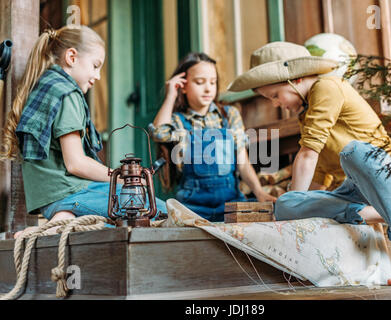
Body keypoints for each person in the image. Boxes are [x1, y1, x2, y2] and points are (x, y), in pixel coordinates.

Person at [228, 41, 391, 286]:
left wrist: (297, 197)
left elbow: (308, 154)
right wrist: (294, 204)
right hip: (355, 192)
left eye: (275, 96)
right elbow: (319, 174)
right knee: (285, 204)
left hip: (388, 178)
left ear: (295, 80)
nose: (277, 104)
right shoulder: (305, 114)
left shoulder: (327, 86)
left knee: (352, 152)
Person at [0, 26, 167, 238]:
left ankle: (62, 220)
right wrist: (121, 179)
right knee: (162, 213)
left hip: (49, 199)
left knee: (118, 227)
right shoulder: (67, 93)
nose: (97, 76)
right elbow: (76, 163)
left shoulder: (46, 86)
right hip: (70, 192)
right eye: (95, 66)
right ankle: (61, 221)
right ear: (71, 56)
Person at [149, 52, 276, 222]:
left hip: (231, 203)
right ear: (183, 86)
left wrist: (259, 191)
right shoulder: (178, 121)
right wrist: (171, 94)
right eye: (200, 82)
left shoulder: (229, 115)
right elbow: (158, 133)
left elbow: (243, 162)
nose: (208, 88)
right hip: (191, 206)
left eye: (213, 82)